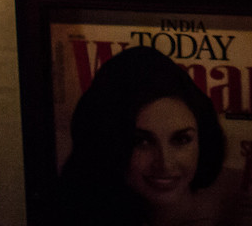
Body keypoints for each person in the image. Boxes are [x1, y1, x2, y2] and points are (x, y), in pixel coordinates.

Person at [48, 46, 242, 226]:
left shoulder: (232, 198)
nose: (165, 163)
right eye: (141, 141)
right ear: (106, 141)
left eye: (181, 140)